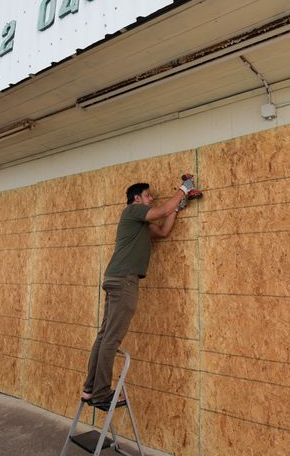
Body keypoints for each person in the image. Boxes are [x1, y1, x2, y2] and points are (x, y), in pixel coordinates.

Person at [80, 174, 202, 409]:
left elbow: (164, 230)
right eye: (148, 195)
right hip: (124, 281)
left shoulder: (140, 224)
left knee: (104, 336)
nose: (151, 198)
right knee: (111, 339)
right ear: (137, 199)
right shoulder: (132, 211)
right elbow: (162, 210)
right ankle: (101, 393)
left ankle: (89, 389)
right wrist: (184, 189)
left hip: (117, 279)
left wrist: (178, 207)